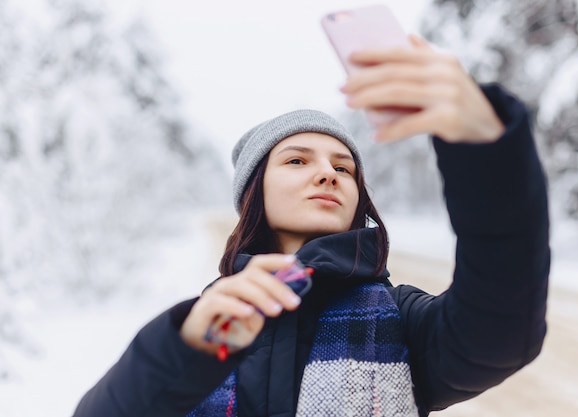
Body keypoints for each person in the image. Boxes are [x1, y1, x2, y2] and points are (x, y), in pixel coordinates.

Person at [73, 35, 550, 417]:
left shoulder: (404, 320)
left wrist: (487, 151)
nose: (327, 173)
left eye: (344, 168)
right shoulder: (210, 320)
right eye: (298, 160)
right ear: (254, 191)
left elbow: (501, 330)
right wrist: (185, 350)